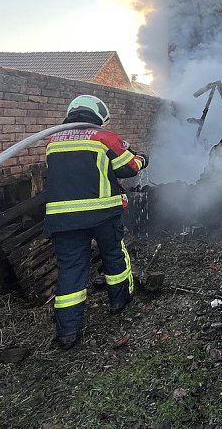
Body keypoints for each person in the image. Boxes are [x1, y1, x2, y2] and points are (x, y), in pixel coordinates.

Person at [45, 95, 148, 349]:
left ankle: (68, 333)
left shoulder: (52, 141)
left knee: (70, 269)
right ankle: (119, 301)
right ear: (98, 115)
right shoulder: (103, 137)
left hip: (63, 219)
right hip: (102, 214)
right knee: (113, 255)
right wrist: (142, 157)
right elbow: (130, 167)